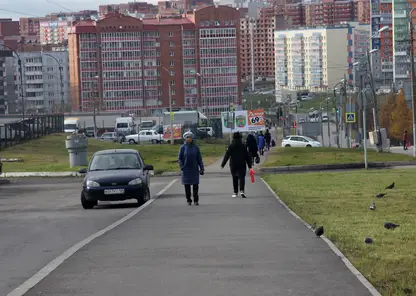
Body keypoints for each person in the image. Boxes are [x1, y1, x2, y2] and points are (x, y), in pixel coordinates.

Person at [221, 132, 252, 198]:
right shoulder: (243, 145)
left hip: (233, 164)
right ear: (240, 137)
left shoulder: (231, 145)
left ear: (233, 137)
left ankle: (235, 192)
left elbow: (227, 155)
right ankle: (242, 191)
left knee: (234, 177)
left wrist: (223, 164)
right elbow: (247, 156)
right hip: (242, 163)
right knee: (242, 177)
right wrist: (250, 166)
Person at [178, 131, 204, 206]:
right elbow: (179, 159)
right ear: (185, 138)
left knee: (195, 185)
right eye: (187, 137)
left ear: (192, 138)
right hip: (186, 170)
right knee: (187, 186)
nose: (189, 139)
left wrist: (201, 168)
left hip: (194, 169)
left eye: (190, 137)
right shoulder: (182, 148)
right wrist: (182, 167)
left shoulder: (196, 147)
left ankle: (196, 200)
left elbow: (199, 158)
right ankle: (188, 199)